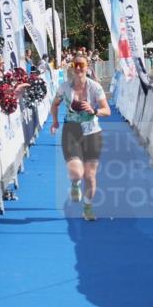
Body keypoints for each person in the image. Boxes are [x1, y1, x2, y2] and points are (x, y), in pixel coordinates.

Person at [49, 55, 111, 222]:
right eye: (75, 65)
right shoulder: (64, 87)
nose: (78, 68)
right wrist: (55, 122)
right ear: (71, 67)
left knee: (90, 175)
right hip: (71, 131)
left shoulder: (95, 87)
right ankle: (75, 184)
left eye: (81, 65)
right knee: (77, 173)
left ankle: (88, 208)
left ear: (87, 66)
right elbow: (54, 104)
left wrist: (94, 111)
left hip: (92, 132)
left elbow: (107, 110)